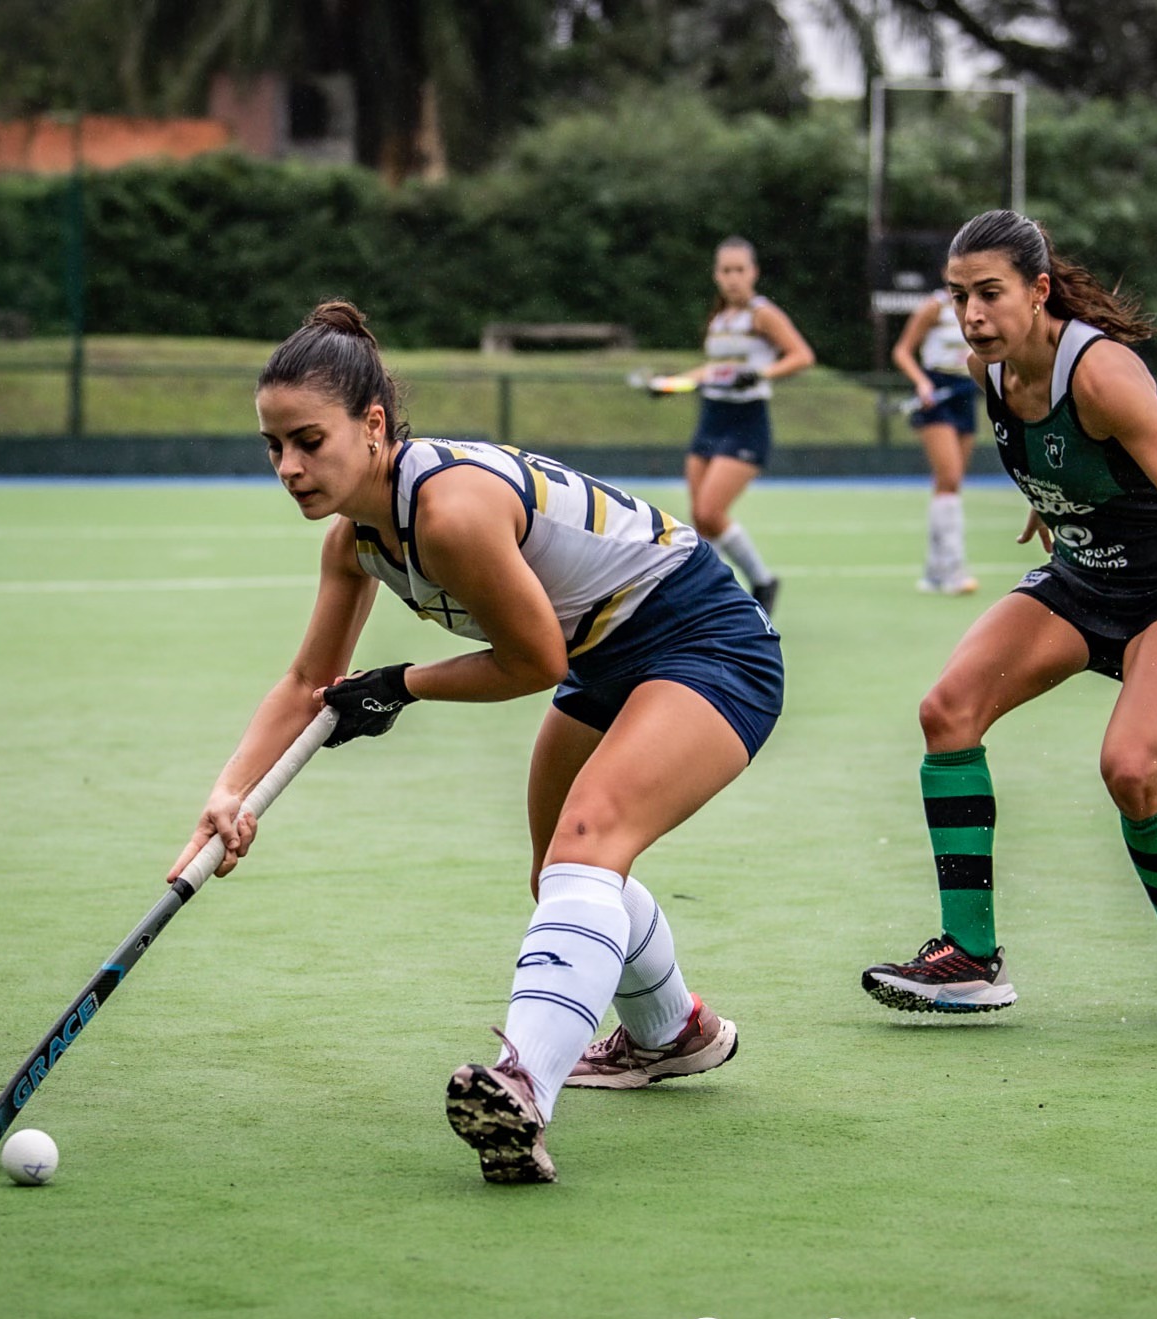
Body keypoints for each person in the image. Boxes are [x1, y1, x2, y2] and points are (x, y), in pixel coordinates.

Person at [169, 301, 784, 1184]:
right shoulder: (356, 541)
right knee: (564, 875)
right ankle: (674, 1033)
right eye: (274, 447)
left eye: (308, 441)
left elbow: (535, 661)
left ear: (372, 425)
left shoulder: (449, 511)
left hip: (704, 639)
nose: (289, 468)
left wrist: (401, 684)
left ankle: (521, 1087)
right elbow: (308, 682)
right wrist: (228, 794)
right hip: (606, 656)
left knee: (586, 846)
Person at [859, 210, 1157, 1028]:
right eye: (958, 296)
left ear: (1039, 291)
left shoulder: (1104, 375)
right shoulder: (990, 370)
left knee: (1132, 769)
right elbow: (1057, 455)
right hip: (1083, 581)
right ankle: (969, 957)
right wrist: (1053, 504)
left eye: (989, 293)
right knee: (948, 711)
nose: (971, 315)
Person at [683, 236, 815, 615]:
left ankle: (762, 581)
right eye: (726, 270)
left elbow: (802, 356)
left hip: (746, 422)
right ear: (716, 275)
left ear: (753, 273)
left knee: (711, 512)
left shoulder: (762, 314)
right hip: (711, 418)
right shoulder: (719, 318)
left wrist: (760, 373)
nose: (733, 278)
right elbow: (714, 370)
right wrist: (672, 384)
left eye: (739, 270)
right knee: (700, 520)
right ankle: (709, 601)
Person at [891, 286, 981, 595]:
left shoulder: (981, 306)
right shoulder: (934, 306)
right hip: (936, 392)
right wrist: (922, 383)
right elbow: (902, 351)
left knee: (950, 485)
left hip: (966, 391)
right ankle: (954, 570)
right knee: (949, 477)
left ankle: (933, 572)